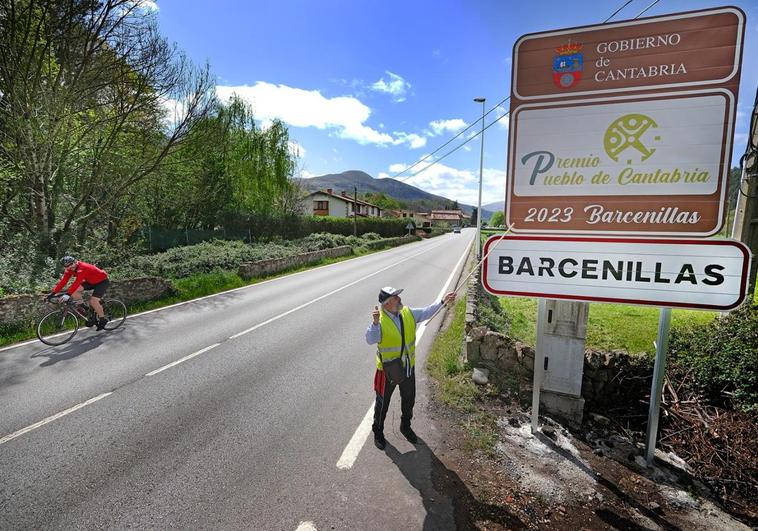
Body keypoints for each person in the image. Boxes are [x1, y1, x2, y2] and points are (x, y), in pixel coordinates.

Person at [366, 286, 456, 450]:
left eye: (398, 296)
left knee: (409, 399)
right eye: (395, 297)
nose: (399, 299)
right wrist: (375, 323)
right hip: (387, 371)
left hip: (407, 368)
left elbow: (427, 311)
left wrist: (443, 301)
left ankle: (405, 426)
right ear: (387, 304)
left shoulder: (407, 312)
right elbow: (371, 339)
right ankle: (378, 431)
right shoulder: (380, 321)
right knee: (382, 404)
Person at [48, 256, 110, 330]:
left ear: (75, 262)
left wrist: (68, 294)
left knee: (93, 301)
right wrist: (52, 293)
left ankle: (103, 319)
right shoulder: (69, 269)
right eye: (66, 266)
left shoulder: (82, 267)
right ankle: (84, 307)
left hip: (102, 281)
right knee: (74, 291)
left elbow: (77, 282)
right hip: (90, 281)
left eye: (71, 265)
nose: (69, 267)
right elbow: (63, 282)